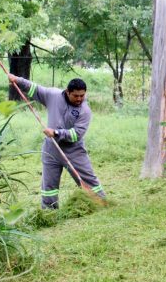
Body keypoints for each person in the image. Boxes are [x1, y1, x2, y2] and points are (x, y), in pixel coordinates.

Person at [8, 74, 105, 209]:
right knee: (49, 185)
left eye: (82, 95)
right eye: (76, 96)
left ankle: (100, 204)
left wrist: (56, 133)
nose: (79, 99)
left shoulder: (85, 111)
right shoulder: (53, 95)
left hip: (74, 151)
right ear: (67, 92)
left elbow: (76, 134)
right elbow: (34, 89)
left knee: (88, 180)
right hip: (51, 149)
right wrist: (17, 80)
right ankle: (49, 210)